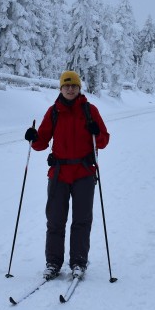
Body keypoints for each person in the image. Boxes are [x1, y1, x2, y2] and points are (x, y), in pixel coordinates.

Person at [24, 70, 110, 281]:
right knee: (55, 221)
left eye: (74, 86)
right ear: (61, 88)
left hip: (84, 173)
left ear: (79, 88)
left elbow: (104, 141)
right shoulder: (54, 112)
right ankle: (53, 262)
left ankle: (79, 262)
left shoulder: (90, 111)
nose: (70, 89)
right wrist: (33, 137)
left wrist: (96, 131)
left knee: (81, 220)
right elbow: (41, 143)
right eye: (66, 85)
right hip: (59, 174)